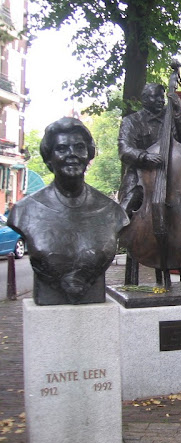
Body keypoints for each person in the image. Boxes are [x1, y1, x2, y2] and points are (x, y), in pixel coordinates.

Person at [8, 117, 129, 305]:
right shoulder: (24, 212)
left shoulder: (112, 212)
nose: (71, 154)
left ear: (88, 155)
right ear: (49, 158)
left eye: (79, 147)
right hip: (47, 302)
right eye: (62, 149)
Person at [118, 83, 181, 291]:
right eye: (154, 97)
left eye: (161, 97)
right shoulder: (132, 121)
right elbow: (124, 149)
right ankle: (124, 243)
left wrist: (179, 113)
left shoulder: (171, 119)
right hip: (140, 175)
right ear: (144, 99)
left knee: (179, 219)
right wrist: (144, 157)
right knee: (124, 208)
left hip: (171, 178)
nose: (159, 100)